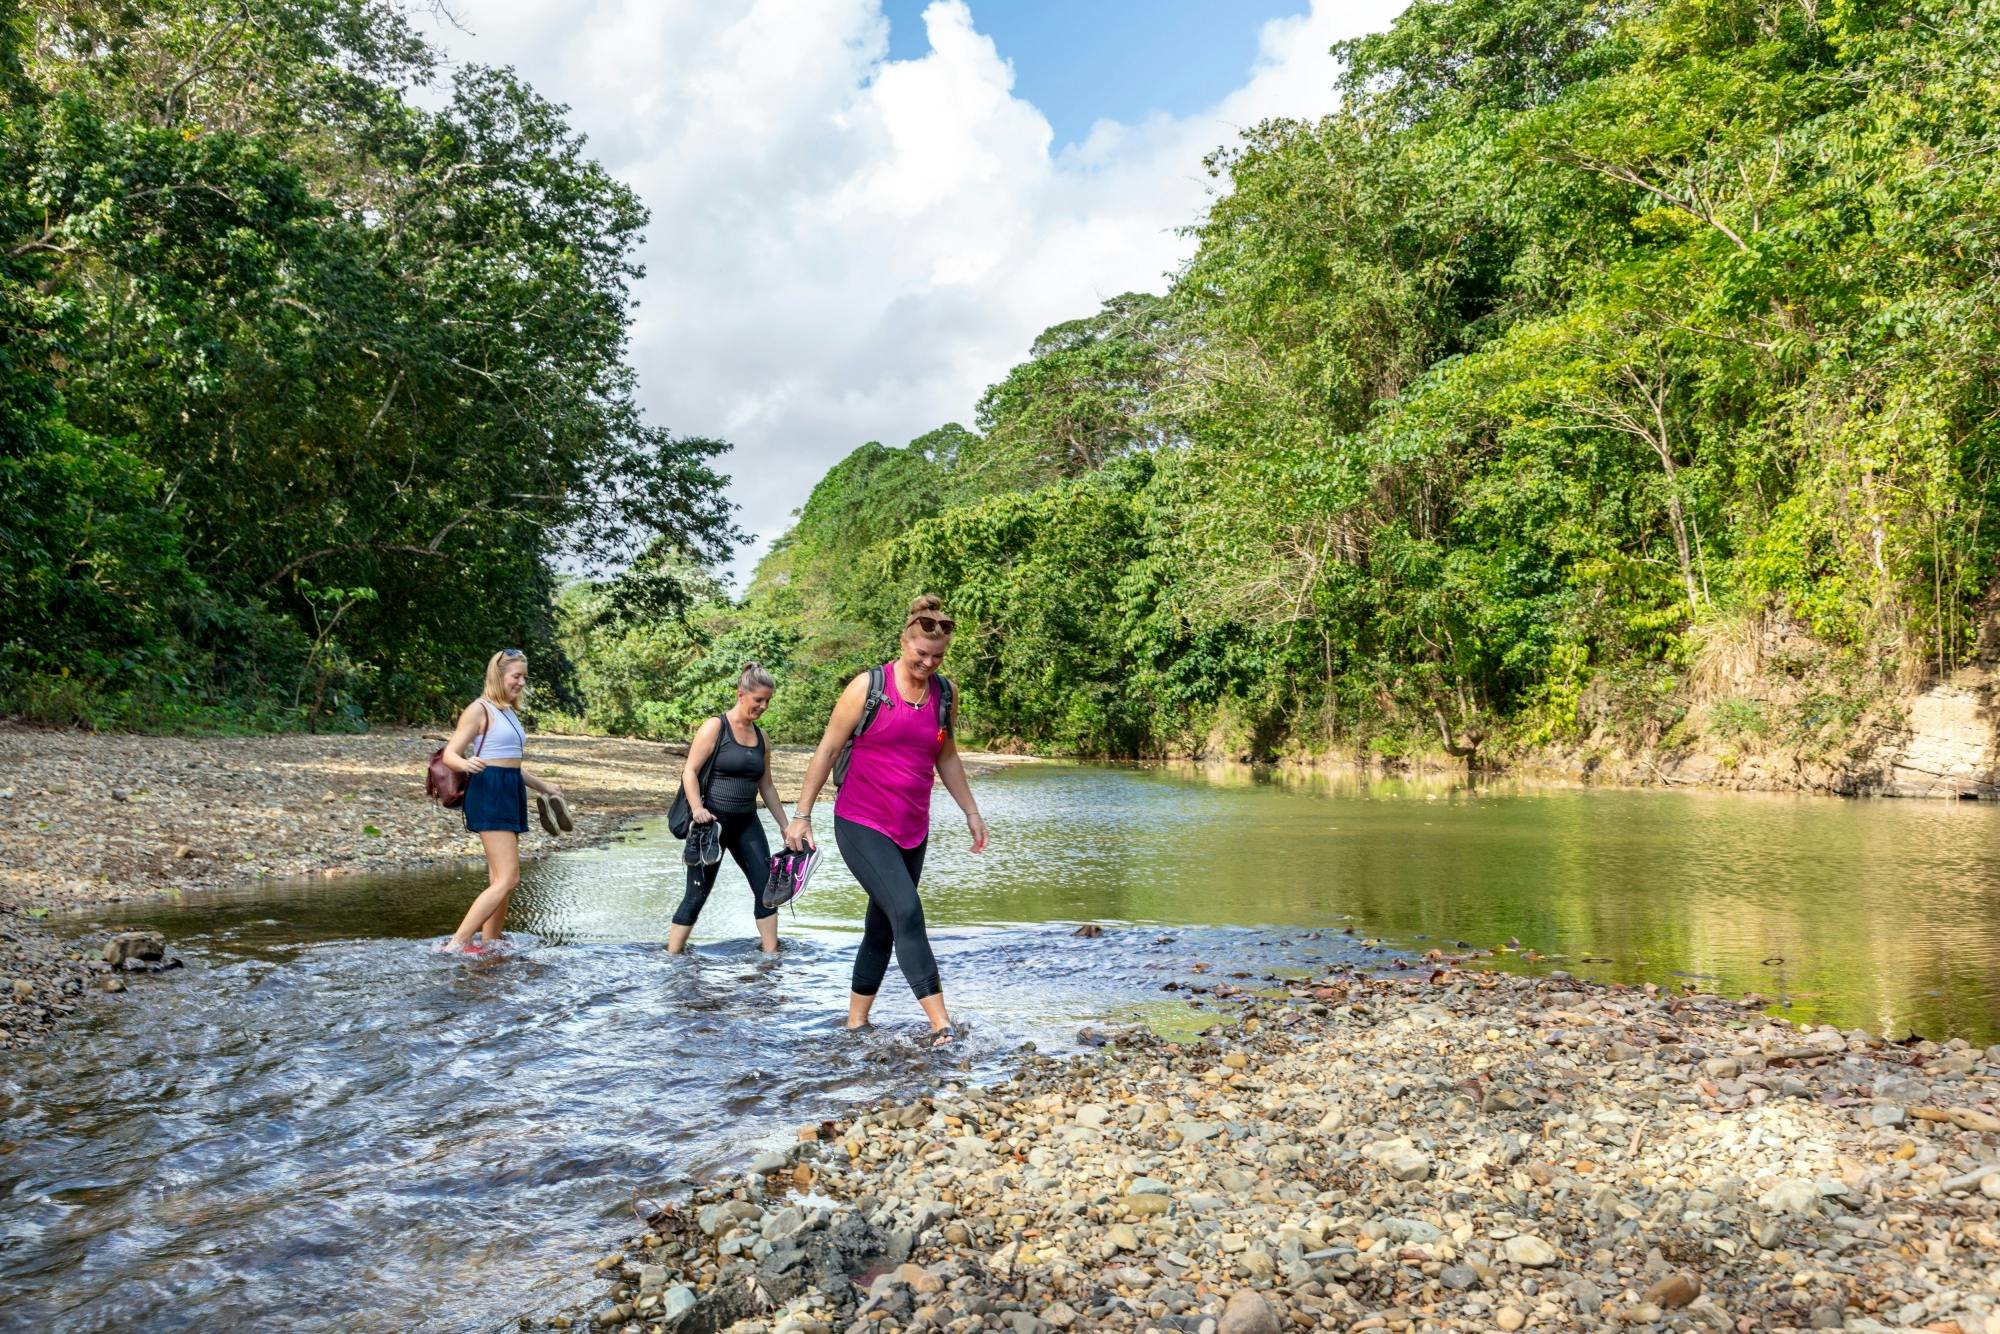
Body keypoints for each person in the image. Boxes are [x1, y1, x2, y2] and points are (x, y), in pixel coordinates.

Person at [785, 596, 988, 1046]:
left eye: (937, 657)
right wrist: (801, 815)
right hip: (861, 820)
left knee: (883, 922)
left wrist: (971, 812)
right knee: (907, 910)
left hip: (913, 827)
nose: (928, 663)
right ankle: (941, 1026)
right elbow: (828, 751)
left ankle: (856, 1022)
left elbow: (947, 757)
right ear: (904, 641)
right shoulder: (868, 687)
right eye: (921, 653)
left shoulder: (945, 694)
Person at [438, 648, 565, 955]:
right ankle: (458, 943)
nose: (521, 682)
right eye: (516, 676)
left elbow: (512, 763)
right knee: (509, 877)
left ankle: (490, 941)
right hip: (490, 792)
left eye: (524, 676)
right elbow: (449, 754)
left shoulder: (508, 710)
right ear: (498, 676)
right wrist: (466, 764)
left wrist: (544, 786)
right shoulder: (479, 709)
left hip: (509, 789)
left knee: (499, 877)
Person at [668, 663, 792, 955]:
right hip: (711, 824)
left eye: (767, 701)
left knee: (766, 890)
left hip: (747, 822)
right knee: (697, 895)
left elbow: (768, 787)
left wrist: (786, 825)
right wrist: (697, 808)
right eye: (758, 700)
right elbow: (690, 771)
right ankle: (671, 956)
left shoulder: (762, 738)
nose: (763, 706)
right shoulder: (715, 727)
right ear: (740, 695)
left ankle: (770, 957)